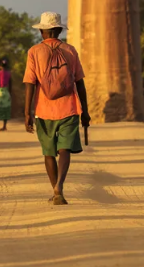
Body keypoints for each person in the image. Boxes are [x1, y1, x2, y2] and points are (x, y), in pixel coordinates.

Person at [24, 11, 90, 206]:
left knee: (48, 152)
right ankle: (59, 185)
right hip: (69, 108)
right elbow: (80, 83)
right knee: (64, 150)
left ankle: (55, 189)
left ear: (43, 32)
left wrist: (27, 112)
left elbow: (30, 83)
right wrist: (85, 111)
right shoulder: (70, 51)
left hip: (43, 111)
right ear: (59, 30)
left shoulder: (34, 52)